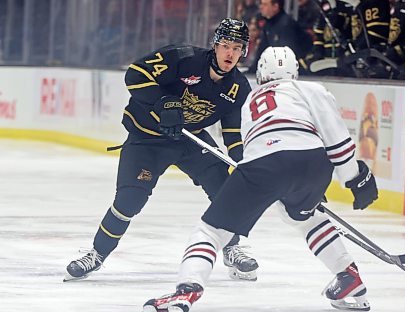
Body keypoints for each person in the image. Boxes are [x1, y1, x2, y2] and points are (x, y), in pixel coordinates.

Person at [137, 46, 379, 312]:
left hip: (265, 164)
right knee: (305, 217)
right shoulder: (311, 89)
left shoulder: (251, 99)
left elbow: (257, 150)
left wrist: (272, 181)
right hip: (313, 163)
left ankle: (185, 291)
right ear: (295, 72)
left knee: (212, 230)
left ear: (262, 74)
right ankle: (349, 277)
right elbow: (336, 140)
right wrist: (353, 177)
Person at [64, 18, 259, 282]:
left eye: (237, 48)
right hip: (147, 140)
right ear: (215, 45)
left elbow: (233, 133)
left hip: (190, 141)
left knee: (225, 189)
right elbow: (135, 73)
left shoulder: (238, 88)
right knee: (129, 200)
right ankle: (97, 254)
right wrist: (164, 102)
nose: (230, 53)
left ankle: (232, 248)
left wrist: (243, 164)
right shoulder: (183, 58)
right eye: (225, 45)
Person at [248, 0, 313, 74]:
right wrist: (251, 72)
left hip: (297, 73)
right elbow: (262, 50)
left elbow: (286, 55)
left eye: (265, 4)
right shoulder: (268, 24)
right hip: (278, 71)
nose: (261, 7)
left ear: (275, 7)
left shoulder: (286, 25)